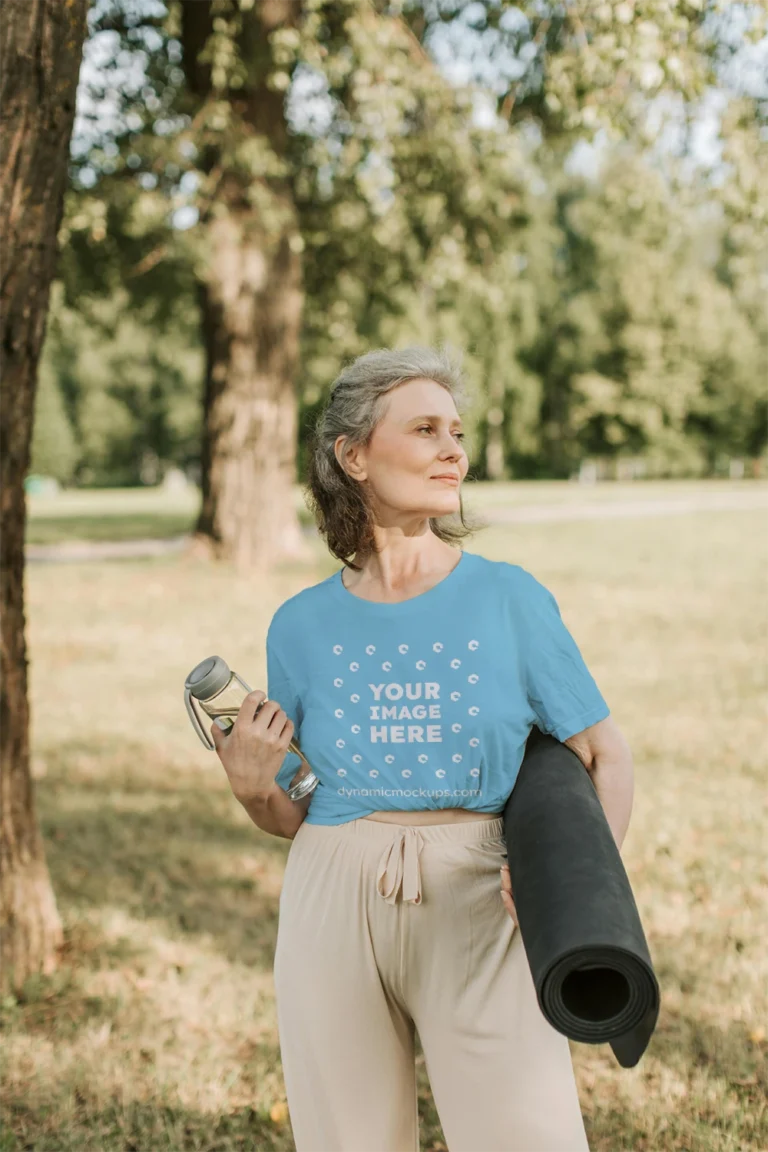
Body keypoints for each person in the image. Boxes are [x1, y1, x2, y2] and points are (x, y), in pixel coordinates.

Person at [211, 346, 630, 1151]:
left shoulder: (509, 598)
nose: (454, 452)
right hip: (330, 889)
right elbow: (290, 812)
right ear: (354, 454)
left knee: (526, 1135)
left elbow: (605, 752)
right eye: (427, 429)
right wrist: (253, 786)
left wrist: (576, 894)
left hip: (481, 889)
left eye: (457, 432)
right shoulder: (298, 625)